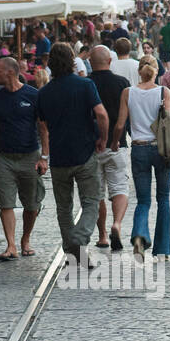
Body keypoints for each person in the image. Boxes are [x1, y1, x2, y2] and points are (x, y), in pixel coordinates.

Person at [36, 43, 108, 259]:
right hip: (84, 152)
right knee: (91, 201)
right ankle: (79, 238)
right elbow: (101, 114)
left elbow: (43, 127)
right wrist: (103, 138)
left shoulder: (44, 92)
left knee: (64, 208)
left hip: (59, 156)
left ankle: (74, 254)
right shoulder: (85, 85)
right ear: (72, 60)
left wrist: (45, 155)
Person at [0, 57, 45, 261]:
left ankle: (25, 239)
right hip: (3, 158)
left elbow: (43, 128)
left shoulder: (33, 95)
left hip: (30, 156)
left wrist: (44, 157)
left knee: (32, 204)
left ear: (10, 72)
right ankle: (11, 245)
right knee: (5, 202)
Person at [121, 60, 170, 261]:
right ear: (156, 71)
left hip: (138, 148)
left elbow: (120, 123)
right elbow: (168, 121)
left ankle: (140, 237)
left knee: (143, 200)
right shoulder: (163, 92)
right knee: (164, 198)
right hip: (160, 149)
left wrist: (117, 142)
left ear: (139, 71)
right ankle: (162, 250)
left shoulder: (128, 92)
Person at [89, 45, 131, 253]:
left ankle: (103, 235)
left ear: (90, 62)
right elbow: (128, 115)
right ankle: (117, 224)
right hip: (118, 143)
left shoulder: (86, 83)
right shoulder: (122, 83)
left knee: (97, 192)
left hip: (92, 147)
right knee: (119, 187)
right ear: (110, 61)